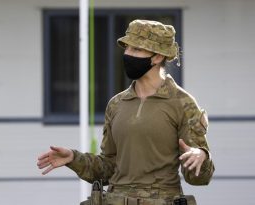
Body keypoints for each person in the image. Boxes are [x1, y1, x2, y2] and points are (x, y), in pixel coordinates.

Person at [37, 19, 215, 205]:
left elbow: (199, 179)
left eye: (136, 49)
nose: (127, 54)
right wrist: (74, 158)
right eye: (127, 48)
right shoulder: (116, 104)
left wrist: (202, 156)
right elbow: (109, 168)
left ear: (157, 57)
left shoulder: (183, 103)